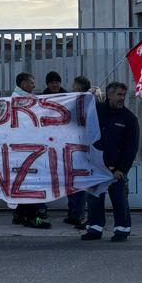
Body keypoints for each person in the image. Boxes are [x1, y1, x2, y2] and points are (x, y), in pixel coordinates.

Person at [83, 81, 139, 243]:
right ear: (109, 94)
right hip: (95, 166)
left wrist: (122, 168)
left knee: (119, 199)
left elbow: (131, 147)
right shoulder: (96, 111)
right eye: (118, 94)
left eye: (123, 95)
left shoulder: (129, 119)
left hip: (115, 169)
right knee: (94, 199)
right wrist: (88, 96)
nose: (122, 98)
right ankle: (95, 228)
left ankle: (122, 230)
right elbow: (77, 114)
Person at [10, 73, 48, 229]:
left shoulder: (20, 97)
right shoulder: (19, 99)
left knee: (22, 181)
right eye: (31, 83)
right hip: (26, 148)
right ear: (24, 83)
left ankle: (20, 215)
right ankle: (32, 217)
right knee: (30, 182)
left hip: (22, 148)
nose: (33, 85)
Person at [64, 76, 94, 229]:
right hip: (72, 149)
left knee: (80, 183)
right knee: (72, 182)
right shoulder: (74, 101)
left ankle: (79, 214)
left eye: (74, 86)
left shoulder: (88, 102)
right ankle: (75, 213)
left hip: (82, 149)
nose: (72, 88)